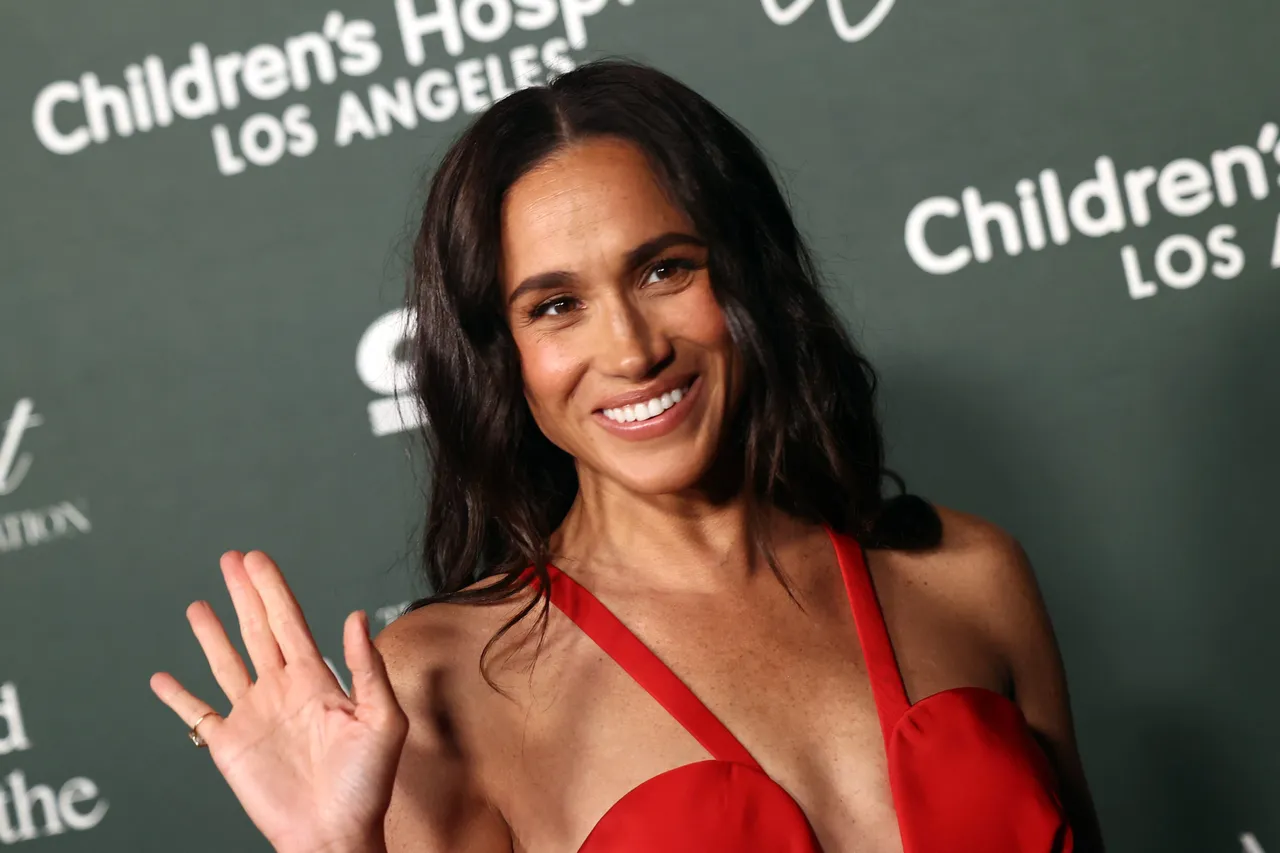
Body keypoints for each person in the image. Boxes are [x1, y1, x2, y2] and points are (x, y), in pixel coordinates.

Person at [150, 60, 1105, 852]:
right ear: (501, 355)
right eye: (556, 305)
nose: (632, 349)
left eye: (664, 269)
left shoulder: (970, 578)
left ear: (749, 276)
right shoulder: (445, 683)